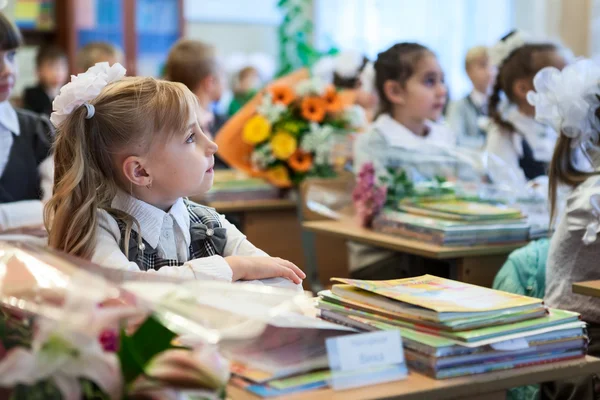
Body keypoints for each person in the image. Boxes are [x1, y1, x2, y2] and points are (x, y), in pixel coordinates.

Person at [45, 62, 304, 289]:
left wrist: (244, 269)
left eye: (203, 130)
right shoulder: (100, 227)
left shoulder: (209, 223)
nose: (212, 146)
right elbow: (127, 290)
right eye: (191, 137)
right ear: (141, 171)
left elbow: (280, 280)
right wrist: (232, 269)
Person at [0, 12, 54, 232]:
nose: (8, 70)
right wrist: (33, 212)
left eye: (11, 56)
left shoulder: (37, 132)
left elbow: (59, 209)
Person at [447, 46, 495, 150]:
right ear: (468, 71)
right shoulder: (459, 105)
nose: (489, 72)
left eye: (493, 66)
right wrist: (489, 144)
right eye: (483, 66)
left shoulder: (503, 105)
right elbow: (456, 139)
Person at [22, 45, 68, 116]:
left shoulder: (69, 93)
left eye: (62, 65)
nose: (58, 70)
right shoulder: (32, 95)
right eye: (52, 66)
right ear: (38, 71)